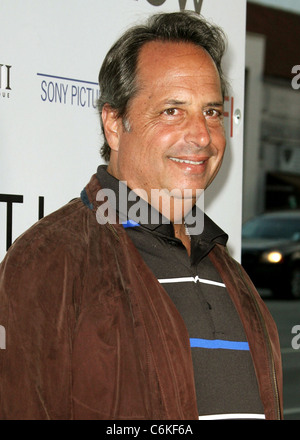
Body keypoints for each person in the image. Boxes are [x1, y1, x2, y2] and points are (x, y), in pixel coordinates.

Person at [0, 11, 283, 420]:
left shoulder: (229, 271)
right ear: (114, 123)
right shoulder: (48, 263)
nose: (202, 136)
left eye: (211, 112)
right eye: (172, 110)